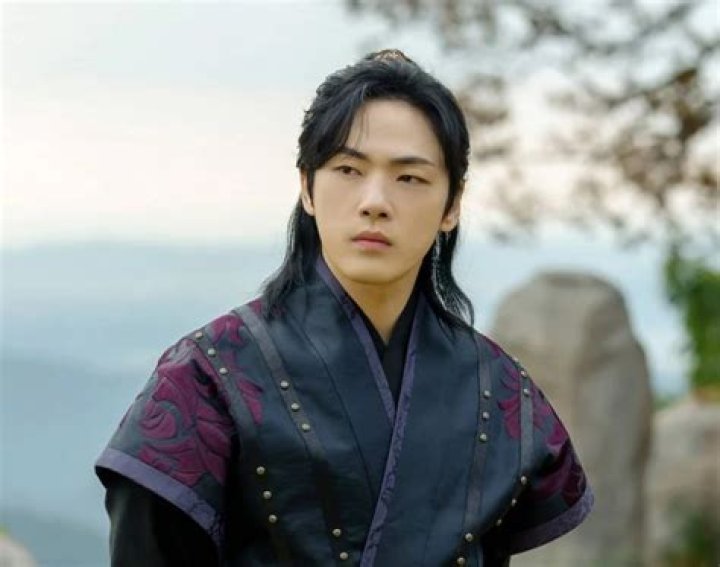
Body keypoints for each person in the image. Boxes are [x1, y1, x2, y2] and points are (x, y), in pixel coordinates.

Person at [95, 49, 593, 566]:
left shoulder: (497, 388)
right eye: (348, 169)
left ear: (452, 205)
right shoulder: (206, 378)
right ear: (307, 188)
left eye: (409, 177)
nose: (374, 201)